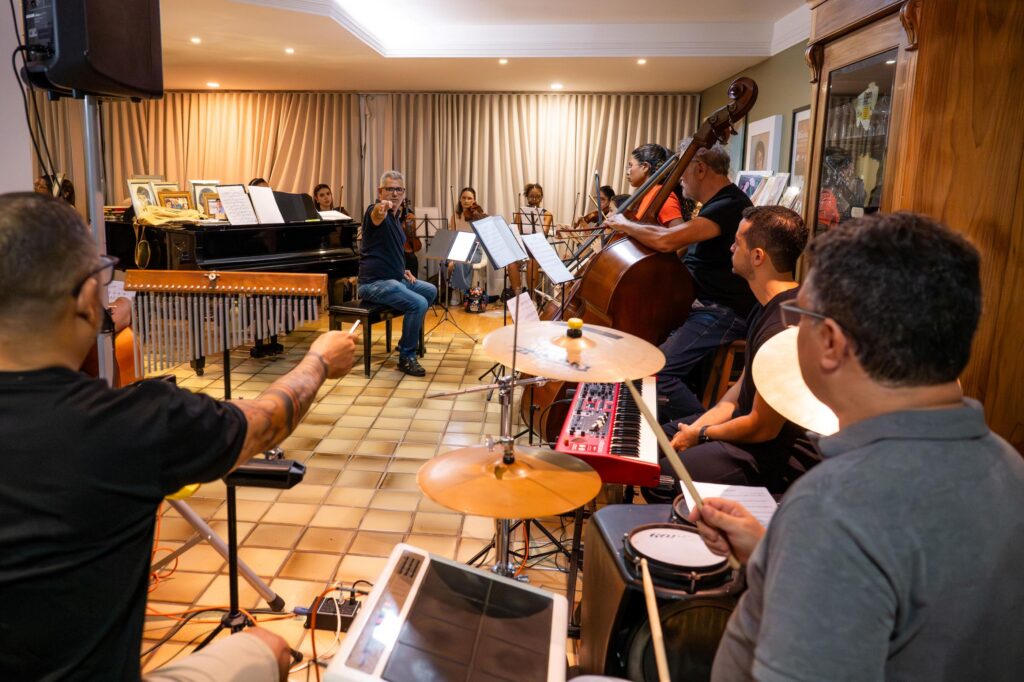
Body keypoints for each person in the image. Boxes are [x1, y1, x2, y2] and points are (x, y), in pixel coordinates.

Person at [0, 192, 357, 680]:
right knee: (268, 649)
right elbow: (267, 420)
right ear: (84, 299)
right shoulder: (136, 423)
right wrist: (318, 361)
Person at [688, 212, 1024, 681]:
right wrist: (771, 553)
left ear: (829, 342)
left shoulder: (835, 507)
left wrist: (811, 540)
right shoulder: (1010, 468)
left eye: (800, 316)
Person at [645, 206, 817, 501]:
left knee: (664, 478)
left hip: (775, 453)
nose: (731, 248)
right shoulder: (767, 305)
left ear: (757, 256)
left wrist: (702, 434)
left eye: (737, 242)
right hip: (750, 431)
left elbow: (762, 428)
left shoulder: (785, 326)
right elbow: (739, 391)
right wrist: (697, 427)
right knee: (652, 443)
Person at [606, 140, 755, 421]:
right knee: (643, 355)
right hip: (702, 303)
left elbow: (668, 240)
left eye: (682, 172)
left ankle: (703, 429)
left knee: (656, 372)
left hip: (721, 310)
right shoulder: (715, 204)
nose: (679, 180)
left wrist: (626, 225)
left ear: (700, 169)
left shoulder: (729, 205)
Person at [358, 171, 436, 377]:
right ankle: (406, 357)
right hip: (373, 284)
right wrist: (381, 207)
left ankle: (404, 343)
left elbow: (390, 249)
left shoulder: (395, 219)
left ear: (404, 192)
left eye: (398, 189)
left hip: (394, 279)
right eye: (390, 189)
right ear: (380, 191)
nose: (394, 193)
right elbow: (377, 214)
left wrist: (402, 269)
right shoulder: (374, 211)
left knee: (430, 291)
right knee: (418, 303)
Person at [620, 143, 685, 228]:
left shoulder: (660, 195)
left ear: (645, 167)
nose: (627, 172)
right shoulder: (644, 195)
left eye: (630, 165)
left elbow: (680, 233)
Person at [508, 182, 554, 298]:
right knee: (511, 263)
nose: (534, 199)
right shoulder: (521, 212)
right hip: (524, 247)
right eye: (531, 196)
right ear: (527, 197)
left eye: (537, 196)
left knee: (532, 262)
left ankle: (532, 296)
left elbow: (544, 233)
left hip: (538, 248)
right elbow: (516, 232)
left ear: (541, 197)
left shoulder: (547, 214)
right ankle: (518, 297)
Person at [446, 186, 486, 302]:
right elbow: (452, 235)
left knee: (458, 263)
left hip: (474, 249)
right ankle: (458, 290)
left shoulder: (478, 214)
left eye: (469, 198)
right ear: (460, 199)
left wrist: (477, 216)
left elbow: (483, 236)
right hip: (459, 247)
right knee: (447, 264)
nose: (466, 201)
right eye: (464, 198)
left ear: (474, 200)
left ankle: (457, 291)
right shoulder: (455, 216)